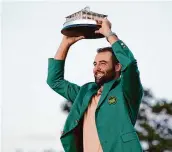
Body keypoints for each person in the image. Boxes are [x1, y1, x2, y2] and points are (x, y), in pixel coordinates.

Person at [47, 18, 143, 152]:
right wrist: (66, 43)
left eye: (103, 63)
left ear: (117, 67)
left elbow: (130, 64)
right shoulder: (85, 93)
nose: (96, 68)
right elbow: (54, 81)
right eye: (95, 64)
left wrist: (109, 34)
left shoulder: (126, 91)